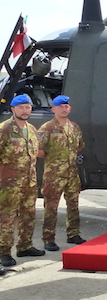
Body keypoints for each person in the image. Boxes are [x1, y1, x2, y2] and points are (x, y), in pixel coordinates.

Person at [0, 94, 45, 267]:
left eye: (27, 107)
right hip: (8, 183)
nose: (25, 111)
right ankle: (4, 252)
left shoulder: (32, 129)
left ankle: (25, 246)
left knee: (28, 214)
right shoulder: (4, 129)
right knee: (7, 217)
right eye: (21, 107)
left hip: (29, 181)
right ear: (13, 109)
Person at [37, 95, 86, 251]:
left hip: (72, 174)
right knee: (51, 207)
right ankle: (48, 238)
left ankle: (73, 234)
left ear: (69, 108)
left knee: (73, 205)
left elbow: (79, 146)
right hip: (54, 175)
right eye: (61, 107)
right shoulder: (47, 128)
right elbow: (38, 150)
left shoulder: (74, 127)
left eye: (66, 106)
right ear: (54, 109)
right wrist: (55, 159)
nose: (64, 109)